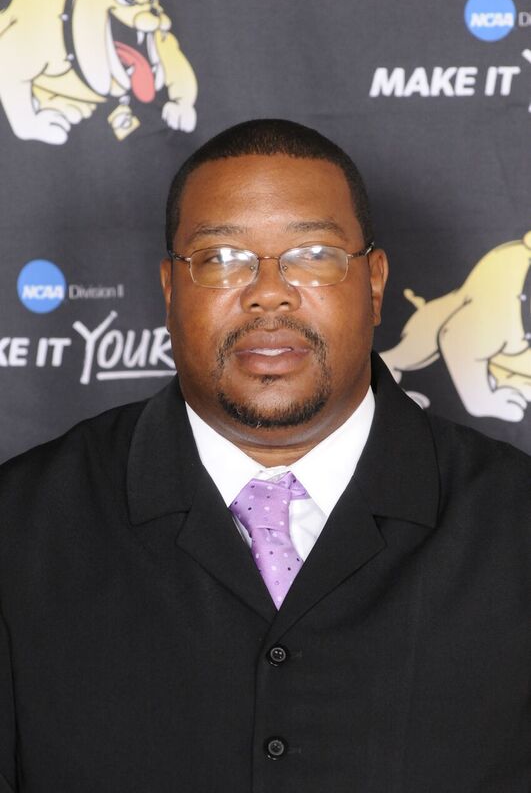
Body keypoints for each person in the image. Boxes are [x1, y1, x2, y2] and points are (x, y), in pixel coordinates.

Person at [0, 119, 530, 793]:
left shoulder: (514, 523)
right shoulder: (20, 528)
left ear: (374, 284)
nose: (268, 291)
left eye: (313, 254)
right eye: (221, 257)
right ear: (170, 290)